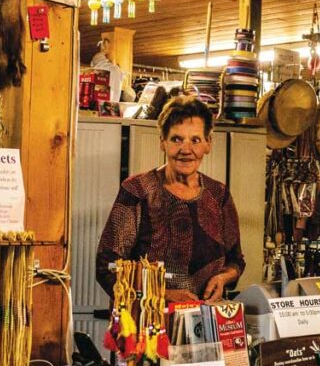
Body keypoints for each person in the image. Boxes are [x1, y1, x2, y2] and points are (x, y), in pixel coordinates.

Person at [95, 95, 244, 302]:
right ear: (162, 142)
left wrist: (222, 278)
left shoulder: (218, 195)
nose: (186, 149)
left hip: (206, 323)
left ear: (208, 144)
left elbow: (236, 260)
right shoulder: (138, 190)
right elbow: (107, 267)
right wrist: (162, 296)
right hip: (148, 324)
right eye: (176, 139)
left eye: (196, 140)